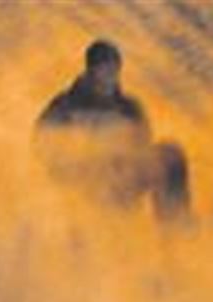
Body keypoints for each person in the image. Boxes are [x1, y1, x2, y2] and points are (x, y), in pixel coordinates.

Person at [35, 39, 192, 224]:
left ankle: (176, 227)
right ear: (91, 70)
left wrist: (129, 161)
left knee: (170, 154)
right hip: (87, 182)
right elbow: (43, 144)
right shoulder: (67, 105)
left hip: (122, 178)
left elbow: (143, 144)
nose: (109, 76)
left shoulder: (127, 107)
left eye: (114, 70)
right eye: (104, 70)